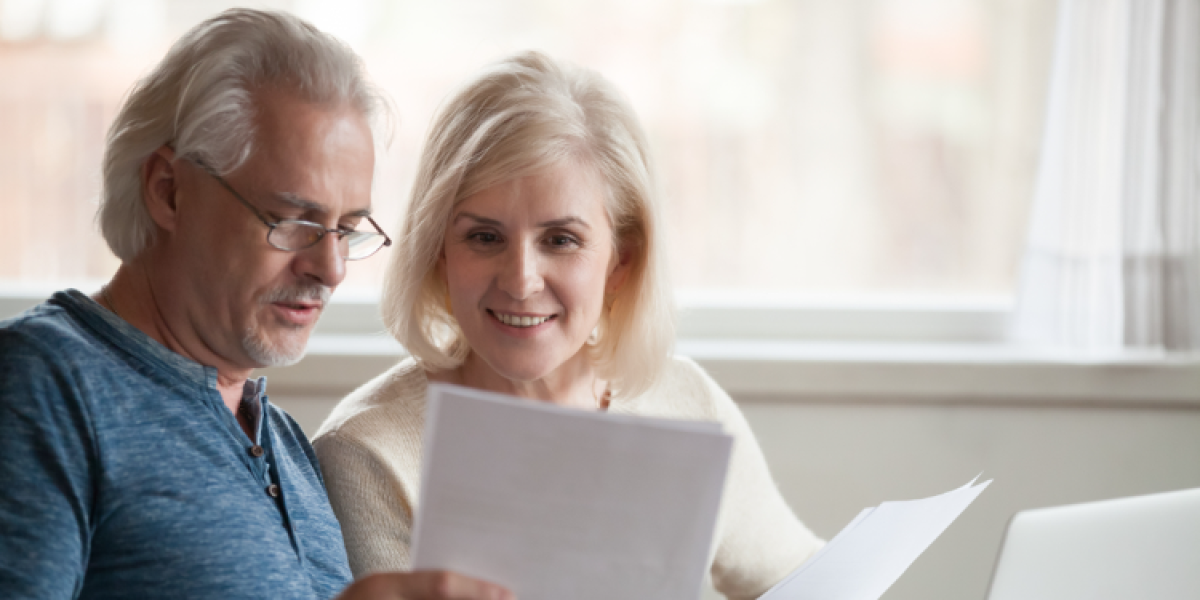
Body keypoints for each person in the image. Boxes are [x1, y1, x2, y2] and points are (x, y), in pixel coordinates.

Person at [0, 9, 510, 600]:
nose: (331, 268)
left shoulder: (286, 443)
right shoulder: (41, 385)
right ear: (169, 191)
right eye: (294, 221)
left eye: (347, 229)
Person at [313, 50, 824, 600]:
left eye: (561, 240)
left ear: (621, 261)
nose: (521, 280)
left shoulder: (687, 402)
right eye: (484, 237)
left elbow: (807, 580)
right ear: (439, 251)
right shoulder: (369, 453)